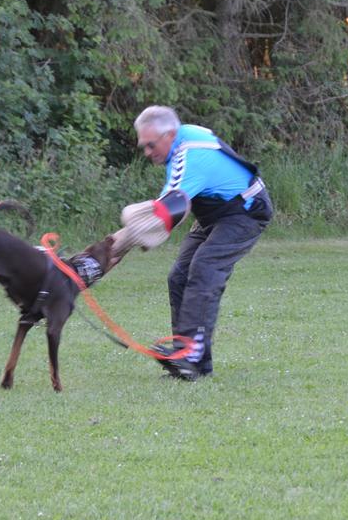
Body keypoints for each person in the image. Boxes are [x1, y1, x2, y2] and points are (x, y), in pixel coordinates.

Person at [113, 106, 272, 380]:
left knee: (205, 269)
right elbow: (171, 208)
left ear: (170, 134)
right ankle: (191, 363)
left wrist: (110, 250)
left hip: (245, 211)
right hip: (215, 212)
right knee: (179, 276)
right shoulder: (181, 140)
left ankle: (188, 356)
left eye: (151, 145)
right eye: (144, 146)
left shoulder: (190, 157)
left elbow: (160, 216)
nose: (148, 152)